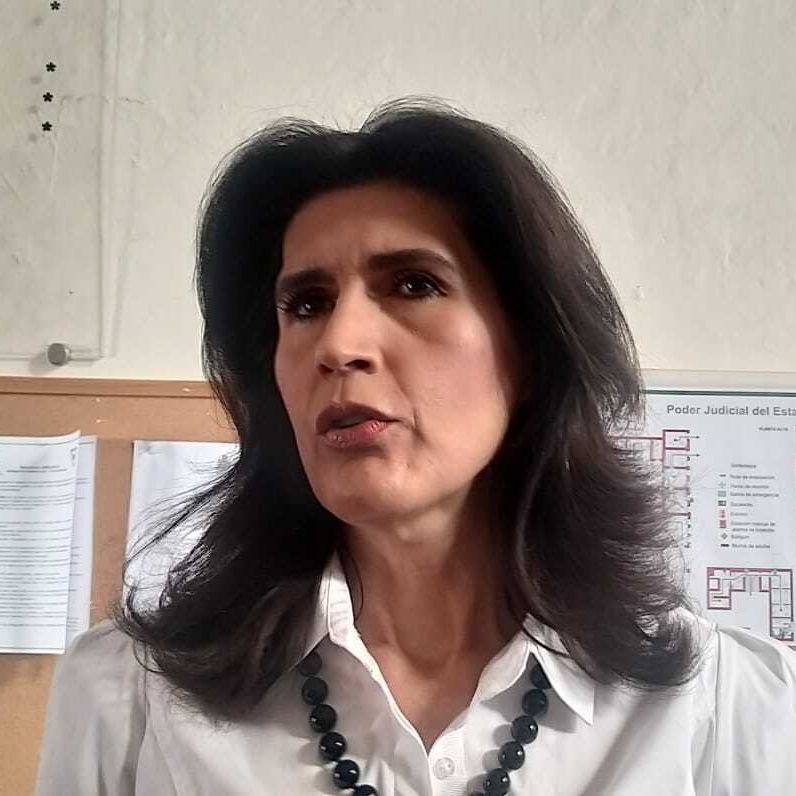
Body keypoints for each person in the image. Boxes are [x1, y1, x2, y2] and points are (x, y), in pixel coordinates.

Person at [36, 97, 796, 795]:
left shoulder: (726, 709)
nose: (339, 343)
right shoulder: (128, 696)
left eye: (413, 285)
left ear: (530, 349)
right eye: (306, 304)